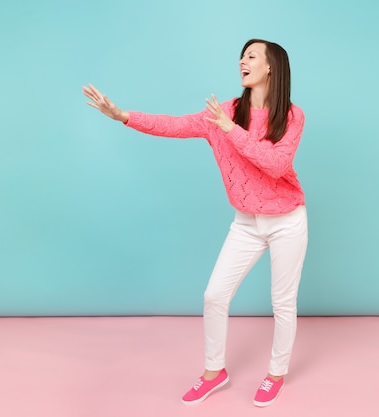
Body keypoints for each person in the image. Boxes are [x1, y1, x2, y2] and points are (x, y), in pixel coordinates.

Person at [83, 38, 308, 408]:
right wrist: (124, 116)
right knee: (214, 295)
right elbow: (174, 125)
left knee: (282, 303)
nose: (242, 61)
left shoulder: (292, 115)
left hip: (287, 220)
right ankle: (213, 372)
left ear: (271, 67)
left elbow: (277, 165)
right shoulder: (224, 111)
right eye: (241, 55)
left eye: (251, 56)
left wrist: (231, 130)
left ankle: (275, 374)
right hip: (247, 222)